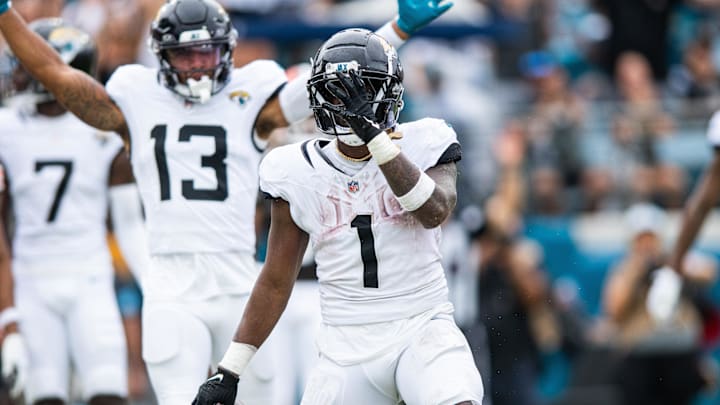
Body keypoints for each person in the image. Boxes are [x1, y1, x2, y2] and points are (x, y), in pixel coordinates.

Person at [0, 0, 454, 403]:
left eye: (208, 51)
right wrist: (6, 15)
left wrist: (397, 28)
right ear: (162, 55)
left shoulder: (251, 94)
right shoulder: (136, 96)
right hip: (172, 282)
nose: (198, 65)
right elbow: (58, 76)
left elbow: (339, 75)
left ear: (227, 51)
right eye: (185, 53)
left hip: (242, 281)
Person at [193, 28, 484, 405]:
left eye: (363, 89)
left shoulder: (426, 139)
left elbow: (434, 211)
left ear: (390, 90)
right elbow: (277, 278)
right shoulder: (293, 168)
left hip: (422, 325)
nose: (350, 102)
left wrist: (375, 137)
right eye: (339, 91)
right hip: (345, 344)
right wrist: (230, 369)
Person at [0, 18, 150, 405]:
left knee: (108, 392)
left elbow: (129, 223)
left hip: (90, 276)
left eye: (26, 64)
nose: (18, 72)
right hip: (30, 277)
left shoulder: (102, 131)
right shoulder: (8, 127)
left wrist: (154, 286)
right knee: (43, 396)